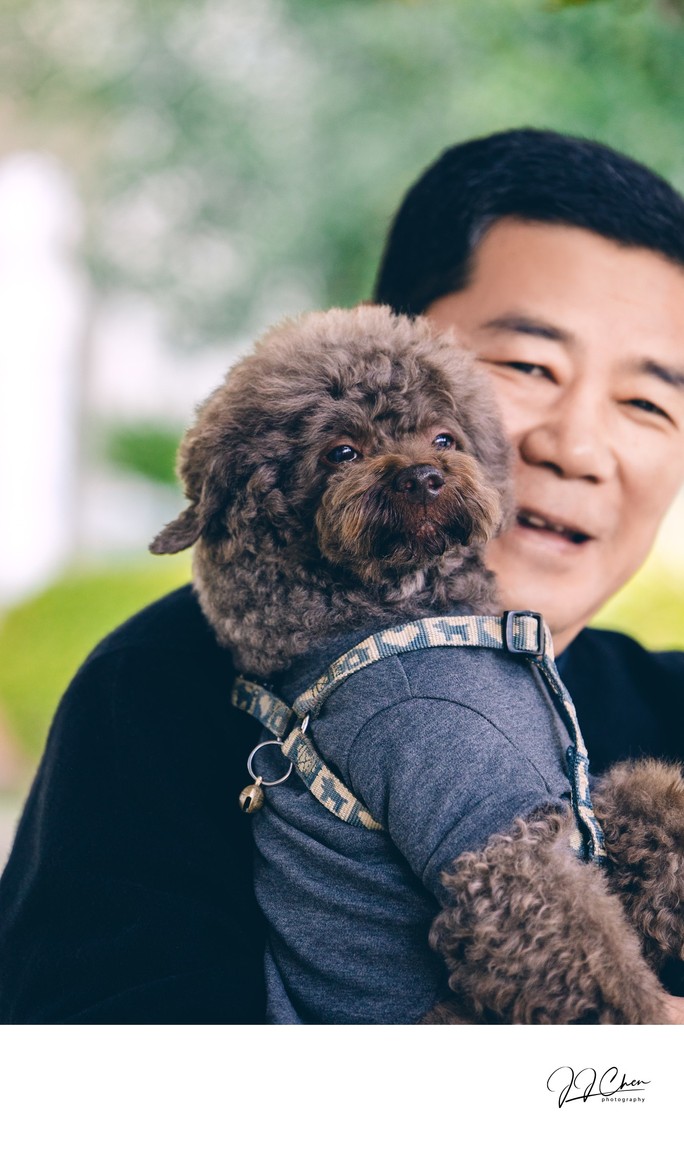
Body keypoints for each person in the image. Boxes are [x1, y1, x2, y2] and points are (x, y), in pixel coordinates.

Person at [1, 127, 683, 1023]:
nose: (578, 446)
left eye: (648, 402)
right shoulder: (159, 689)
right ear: (380, 346)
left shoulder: (666, 707)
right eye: (528, 365)